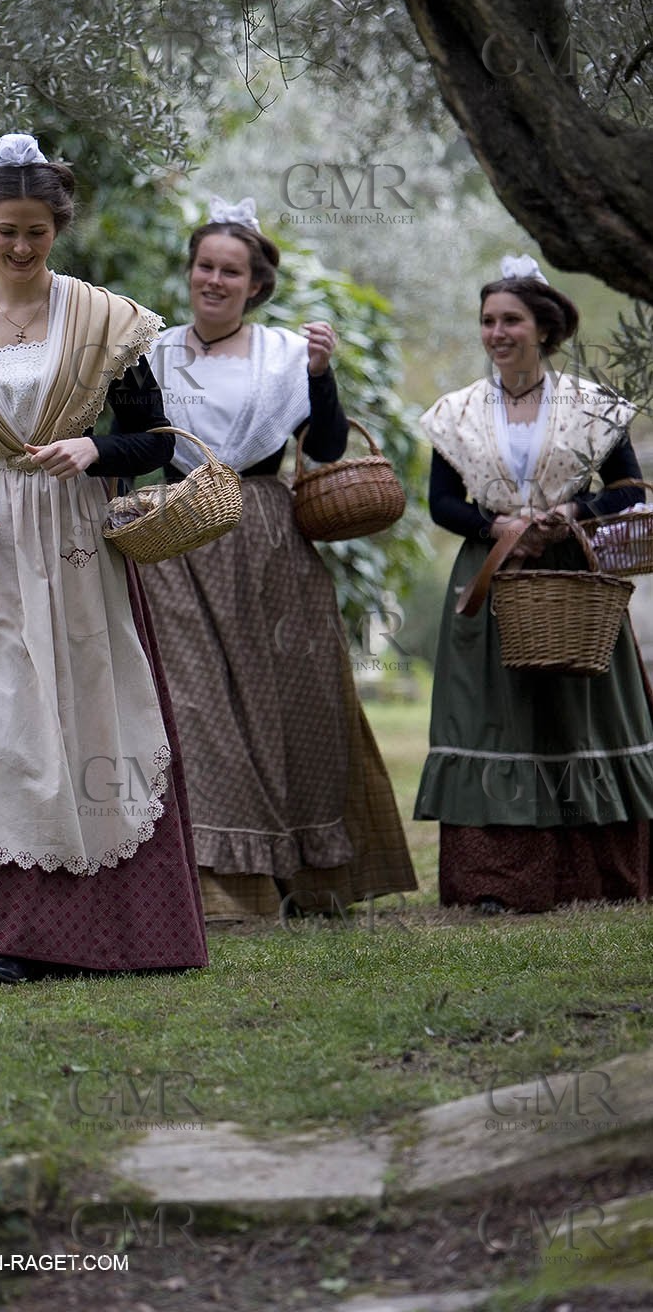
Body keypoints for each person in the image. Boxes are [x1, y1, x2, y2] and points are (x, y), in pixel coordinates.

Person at [0, 132, 207, 982]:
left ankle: (111, 931)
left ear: (57, 226)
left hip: (73, 547)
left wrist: (95, 453)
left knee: (88, 722)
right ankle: (7, 939)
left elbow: (153, 439)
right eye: (6, 233)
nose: (21, 248)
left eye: (36, 232)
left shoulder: (105, 320)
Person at [141, 196, 417, 918]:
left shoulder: (285, 355)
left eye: (230, 271)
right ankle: (223, 889)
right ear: (189, 271)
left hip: (266, 536)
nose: (214, 280)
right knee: (195, 704)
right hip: (176, 540)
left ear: (255, 285)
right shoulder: (151, 352)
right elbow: (131, 442)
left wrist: (322, 376)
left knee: (290, 702)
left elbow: (324, 449)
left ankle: (308, 878)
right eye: (204, 265)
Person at [415, 253, 653, 911]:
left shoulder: (592, 408)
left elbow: (626, 490)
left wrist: (572, 511)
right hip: (492, 579)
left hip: (573, 576)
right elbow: (440, 503)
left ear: (542, 329)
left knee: (579, 716)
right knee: (493, 716)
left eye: (510, 320)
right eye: (488, 320)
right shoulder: (455, 414)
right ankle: (493, 883)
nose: (496, 332)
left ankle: (599, 876)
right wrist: (495, 526)